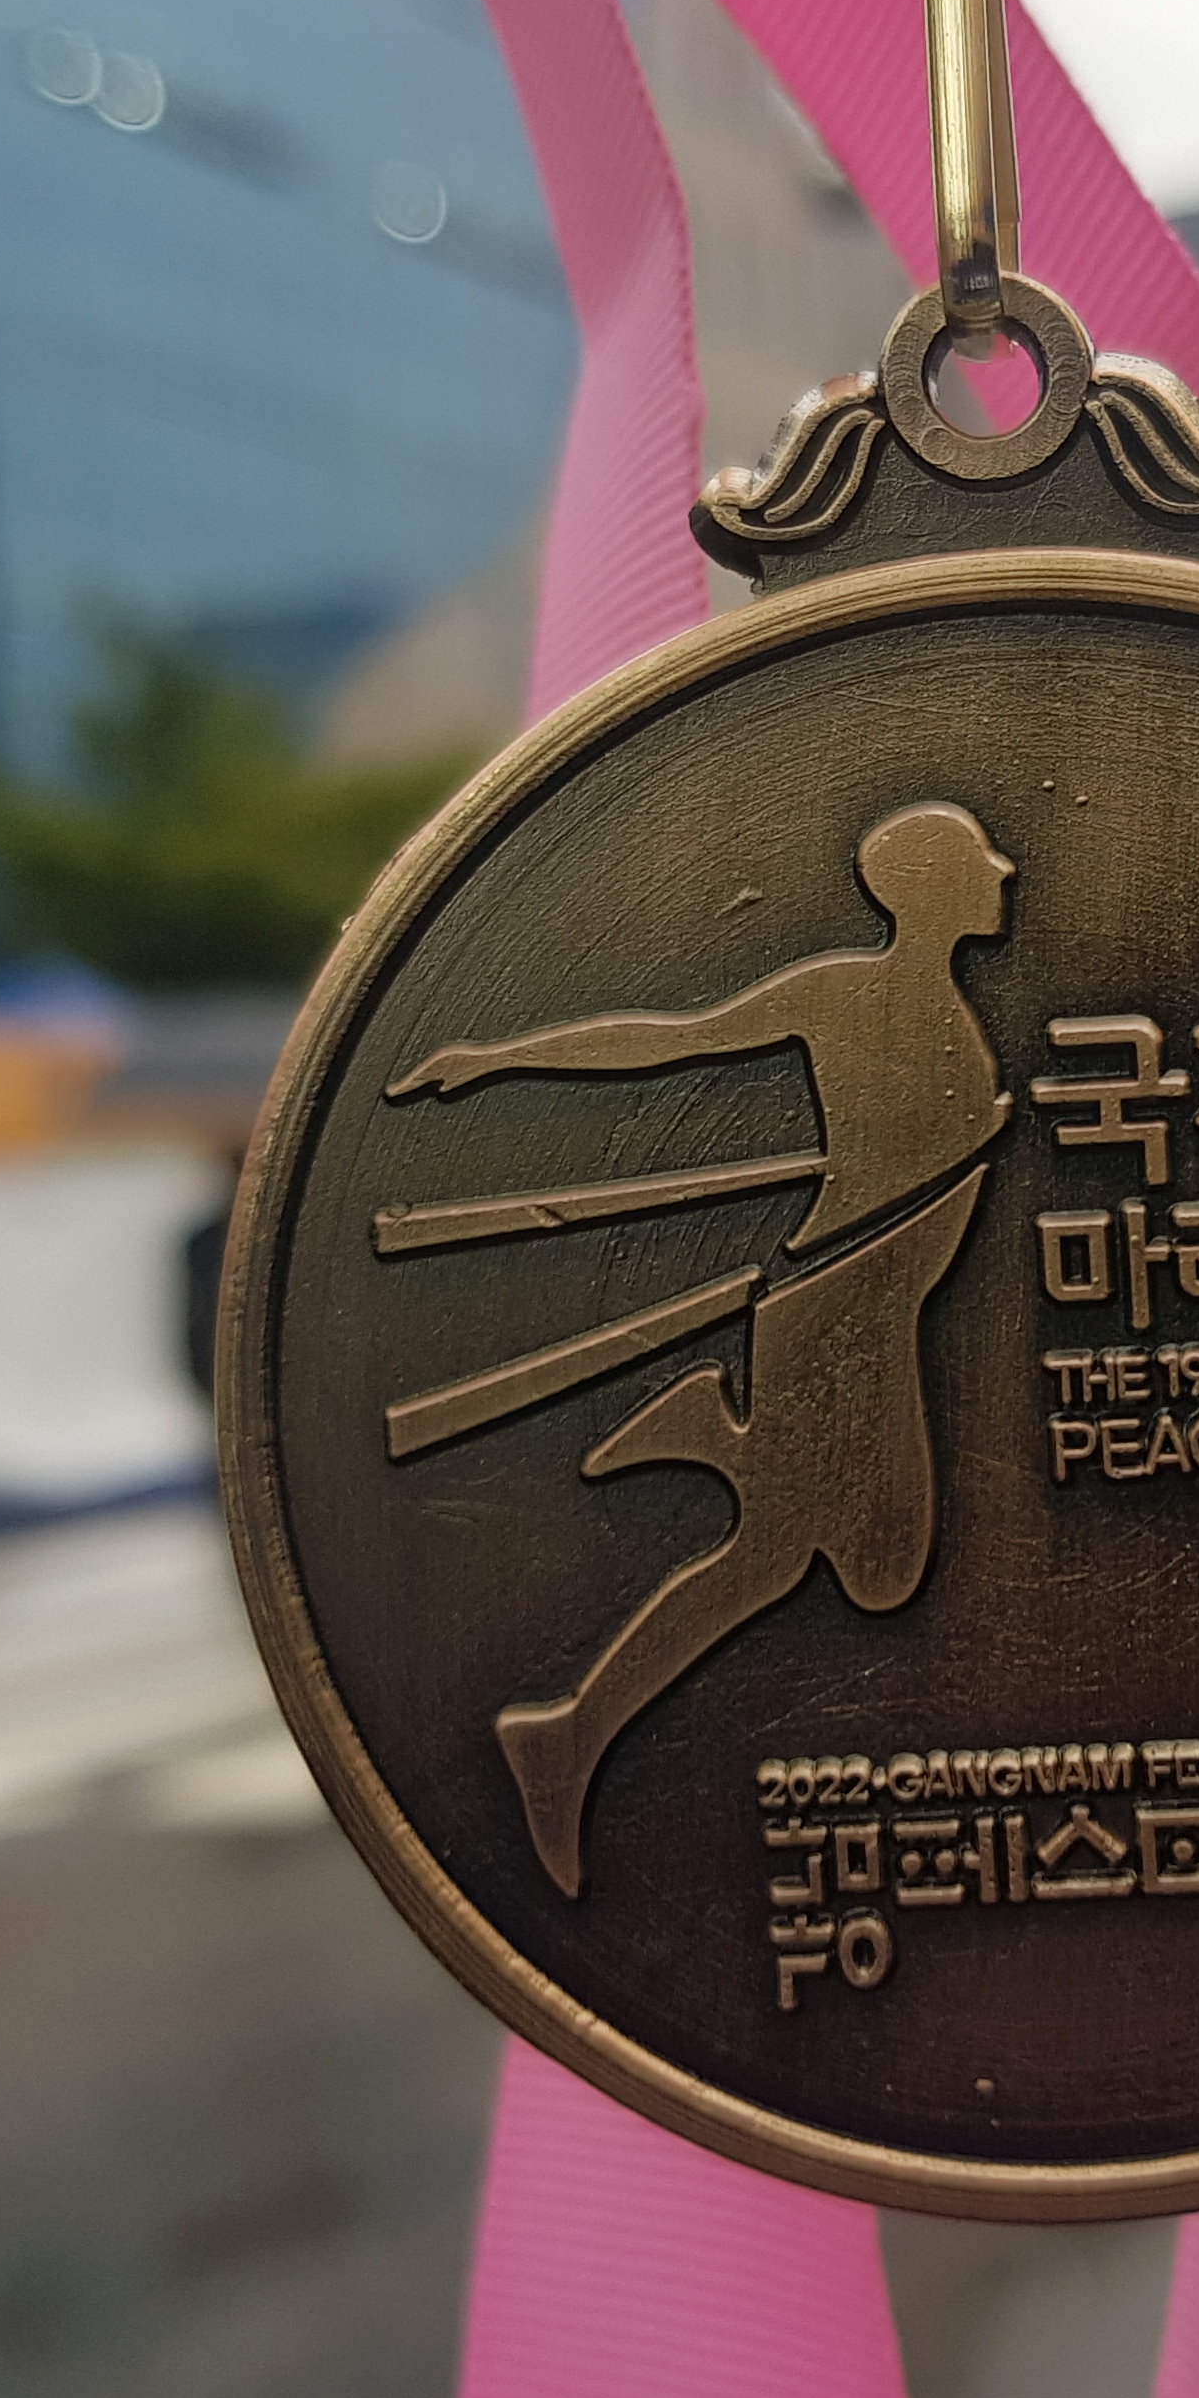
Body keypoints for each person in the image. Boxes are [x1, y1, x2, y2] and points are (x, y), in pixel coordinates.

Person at [384, 801, 1017, 1896]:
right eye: (979, 861)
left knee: (878, 1572)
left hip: (874, 1315)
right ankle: (568, 1729)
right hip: (837, 1313)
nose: (1003, 872)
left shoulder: (947, 1004)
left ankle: (710, 1438)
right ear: (927, 891)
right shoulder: (843, 992)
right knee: (833, 1568)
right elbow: (675, 1040)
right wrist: (500, 1058)